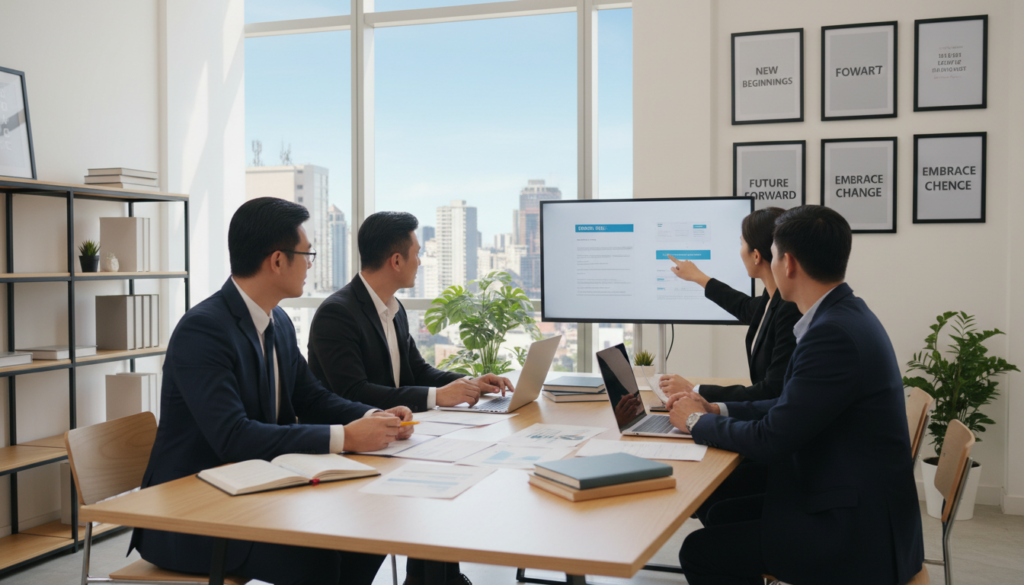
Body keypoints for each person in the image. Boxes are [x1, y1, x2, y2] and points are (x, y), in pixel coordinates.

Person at [129, 198, 414, 585]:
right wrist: (346, 437)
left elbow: (311, 396)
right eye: (307, 255)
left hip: (259, 490)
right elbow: (233, 436)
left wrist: (369, 418)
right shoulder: (203, 330)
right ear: (278, 261)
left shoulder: (278, 320)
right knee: (318, 555)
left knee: (370, 527)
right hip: (192, 515)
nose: (310, 265)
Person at [667, 205, 924, 585]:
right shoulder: (843, 314)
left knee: (700, 551)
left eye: (771, 254)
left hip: (852, 528)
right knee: (721, 514)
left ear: (786, 263)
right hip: (853, 499)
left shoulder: (831, 334)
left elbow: (772, 438)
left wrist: (693, 421)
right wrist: (716, 409)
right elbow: (789, 406)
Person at [308, 210, 513, 585]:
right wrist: (437, 395)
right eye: (417, 253)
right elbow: (351, 392)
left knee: (448, 482)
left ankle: (432, 578)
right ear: (396, 260)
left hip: (394, 441)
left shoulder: (394, 308)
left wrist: (469, 383)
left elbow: (417, 371)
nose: (421, 261)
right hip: (354, 452)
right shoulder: (337, 314)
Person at [658, 207, 800, 403]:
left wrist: (695, 390)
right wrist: (699, 277)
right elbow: (743, 306)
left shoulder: (790, 307)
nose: (740, 250)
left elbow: (772, 390)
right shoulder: (772, 298)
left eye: (741, 243)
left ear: (756, 255)